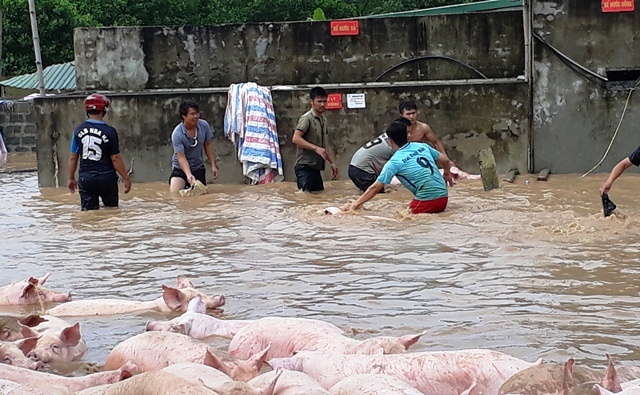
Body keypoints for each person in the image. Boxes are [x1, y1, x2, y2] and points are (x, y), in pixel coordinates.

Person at [346, 120, 454, 214]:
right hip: (444, 199)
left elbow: (374, 188)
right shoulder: (422, 146)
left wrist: (355, 205)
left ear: (390, 141)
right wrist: (447, 174)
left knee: (400, 221)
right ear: (409, 136)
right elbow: (445, 160)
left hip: (426, 201)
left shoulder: (393, 162)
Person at [67, 94, 131, 211]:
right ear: (104, 110)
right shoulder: (110, 131)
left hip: (86, 179)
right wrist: (126, 177)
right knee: (112, 212)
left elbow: (73, 157)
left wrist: (71, 178)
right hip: (106, 178)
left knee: (89, 215)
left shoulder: (78, 130)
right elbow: (115, 158)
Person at [292, 86, 339, 192]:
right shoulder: (306, 118)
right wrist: (315, 148)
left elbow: (324, 145)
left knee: (318, 195)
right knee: (303, 196)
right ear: (311, 102)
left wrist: (332, 163)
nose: (322, 104)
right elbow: (295, 138)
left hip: (315, 167)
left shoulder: (323, 119)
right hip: (304, 167)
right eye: (319, 101)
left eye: (324, 101)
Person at [348, 118, 411, 192]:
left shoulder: (388, 136)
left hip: (355, 168)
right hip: (363, 172)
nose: (409, 135)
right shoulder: (393, 145)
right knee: (382, 194)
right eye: (407, 132)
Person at [169, 100, 218, 192]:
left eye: (197, 113)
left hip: (198, 168)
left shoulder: (204, 125)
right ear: (184, 116)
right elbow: (181, 157)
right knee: (174, 193)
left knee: (202, 197)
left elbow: (208, 145)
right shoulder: (177, 134)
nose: (196, 116)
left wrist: (213, 165)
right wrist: (188, 175)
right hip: (180, 169)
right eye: (192, 114)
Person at [399, 100, 454, 167]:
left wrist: (446, 159)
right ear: (401, 116)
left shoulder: (423, 127)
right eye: (408, 114)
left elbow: (436, 142)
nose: (411, 116)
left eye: (413, 113)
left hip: (417, 158)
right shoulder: (396, 129)